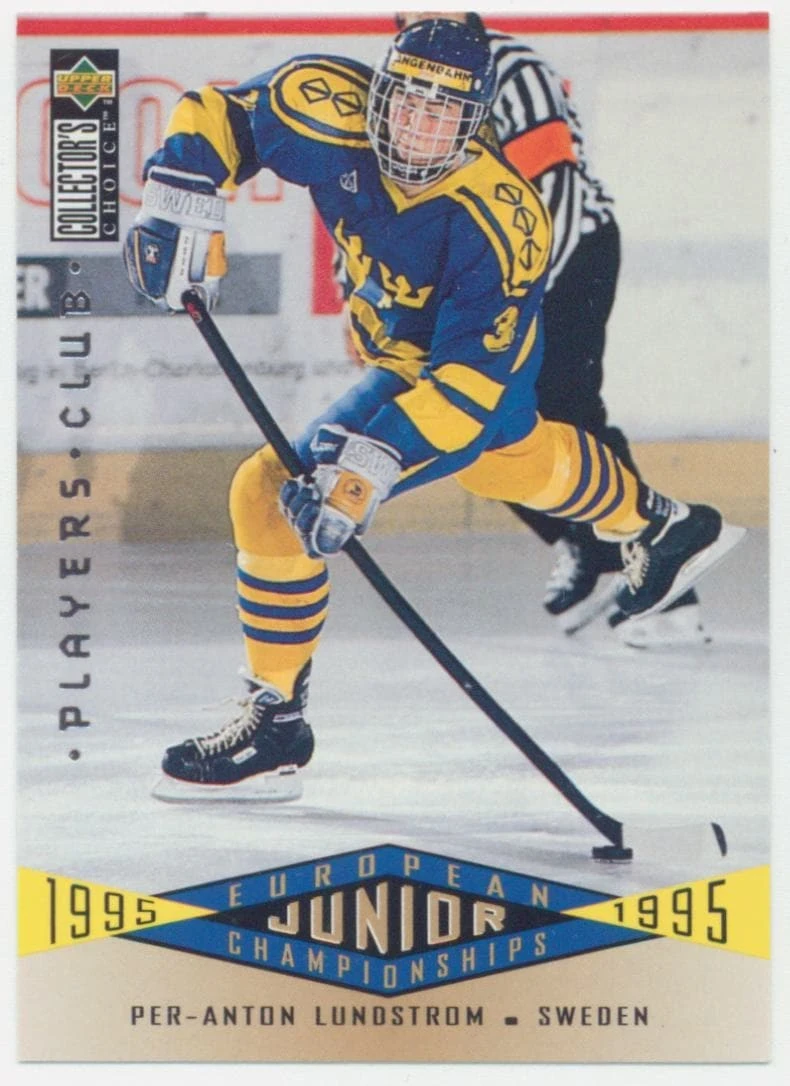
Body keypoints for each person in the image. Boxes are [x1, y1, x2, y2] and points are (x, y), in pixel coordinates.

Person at [124, 18, 743, 802]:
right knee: (510, 462)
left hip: (469, 371)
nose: (418, 126)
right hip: (411, 354)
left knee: (268, 490)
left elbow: (464, 391)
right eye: (407, 100)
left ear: (474, 121)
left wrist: (358, 478)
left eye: (442, 111)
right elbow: (222, 116)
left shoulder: (502, 217)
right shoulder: (329, 100)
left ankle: (275, 726)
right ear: (381, 91)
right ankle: (661, 523)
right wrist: (180, 198)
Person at [392, 12, 709, 648]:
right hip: (488, 271)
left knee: (566, 404)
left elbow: (557, 188)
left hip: (568, 254)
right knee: (471, 412)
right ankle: (586, 542)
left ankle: (662, 585)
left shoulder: (511, 66)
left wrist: (524, 292)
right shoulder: (401, 74)